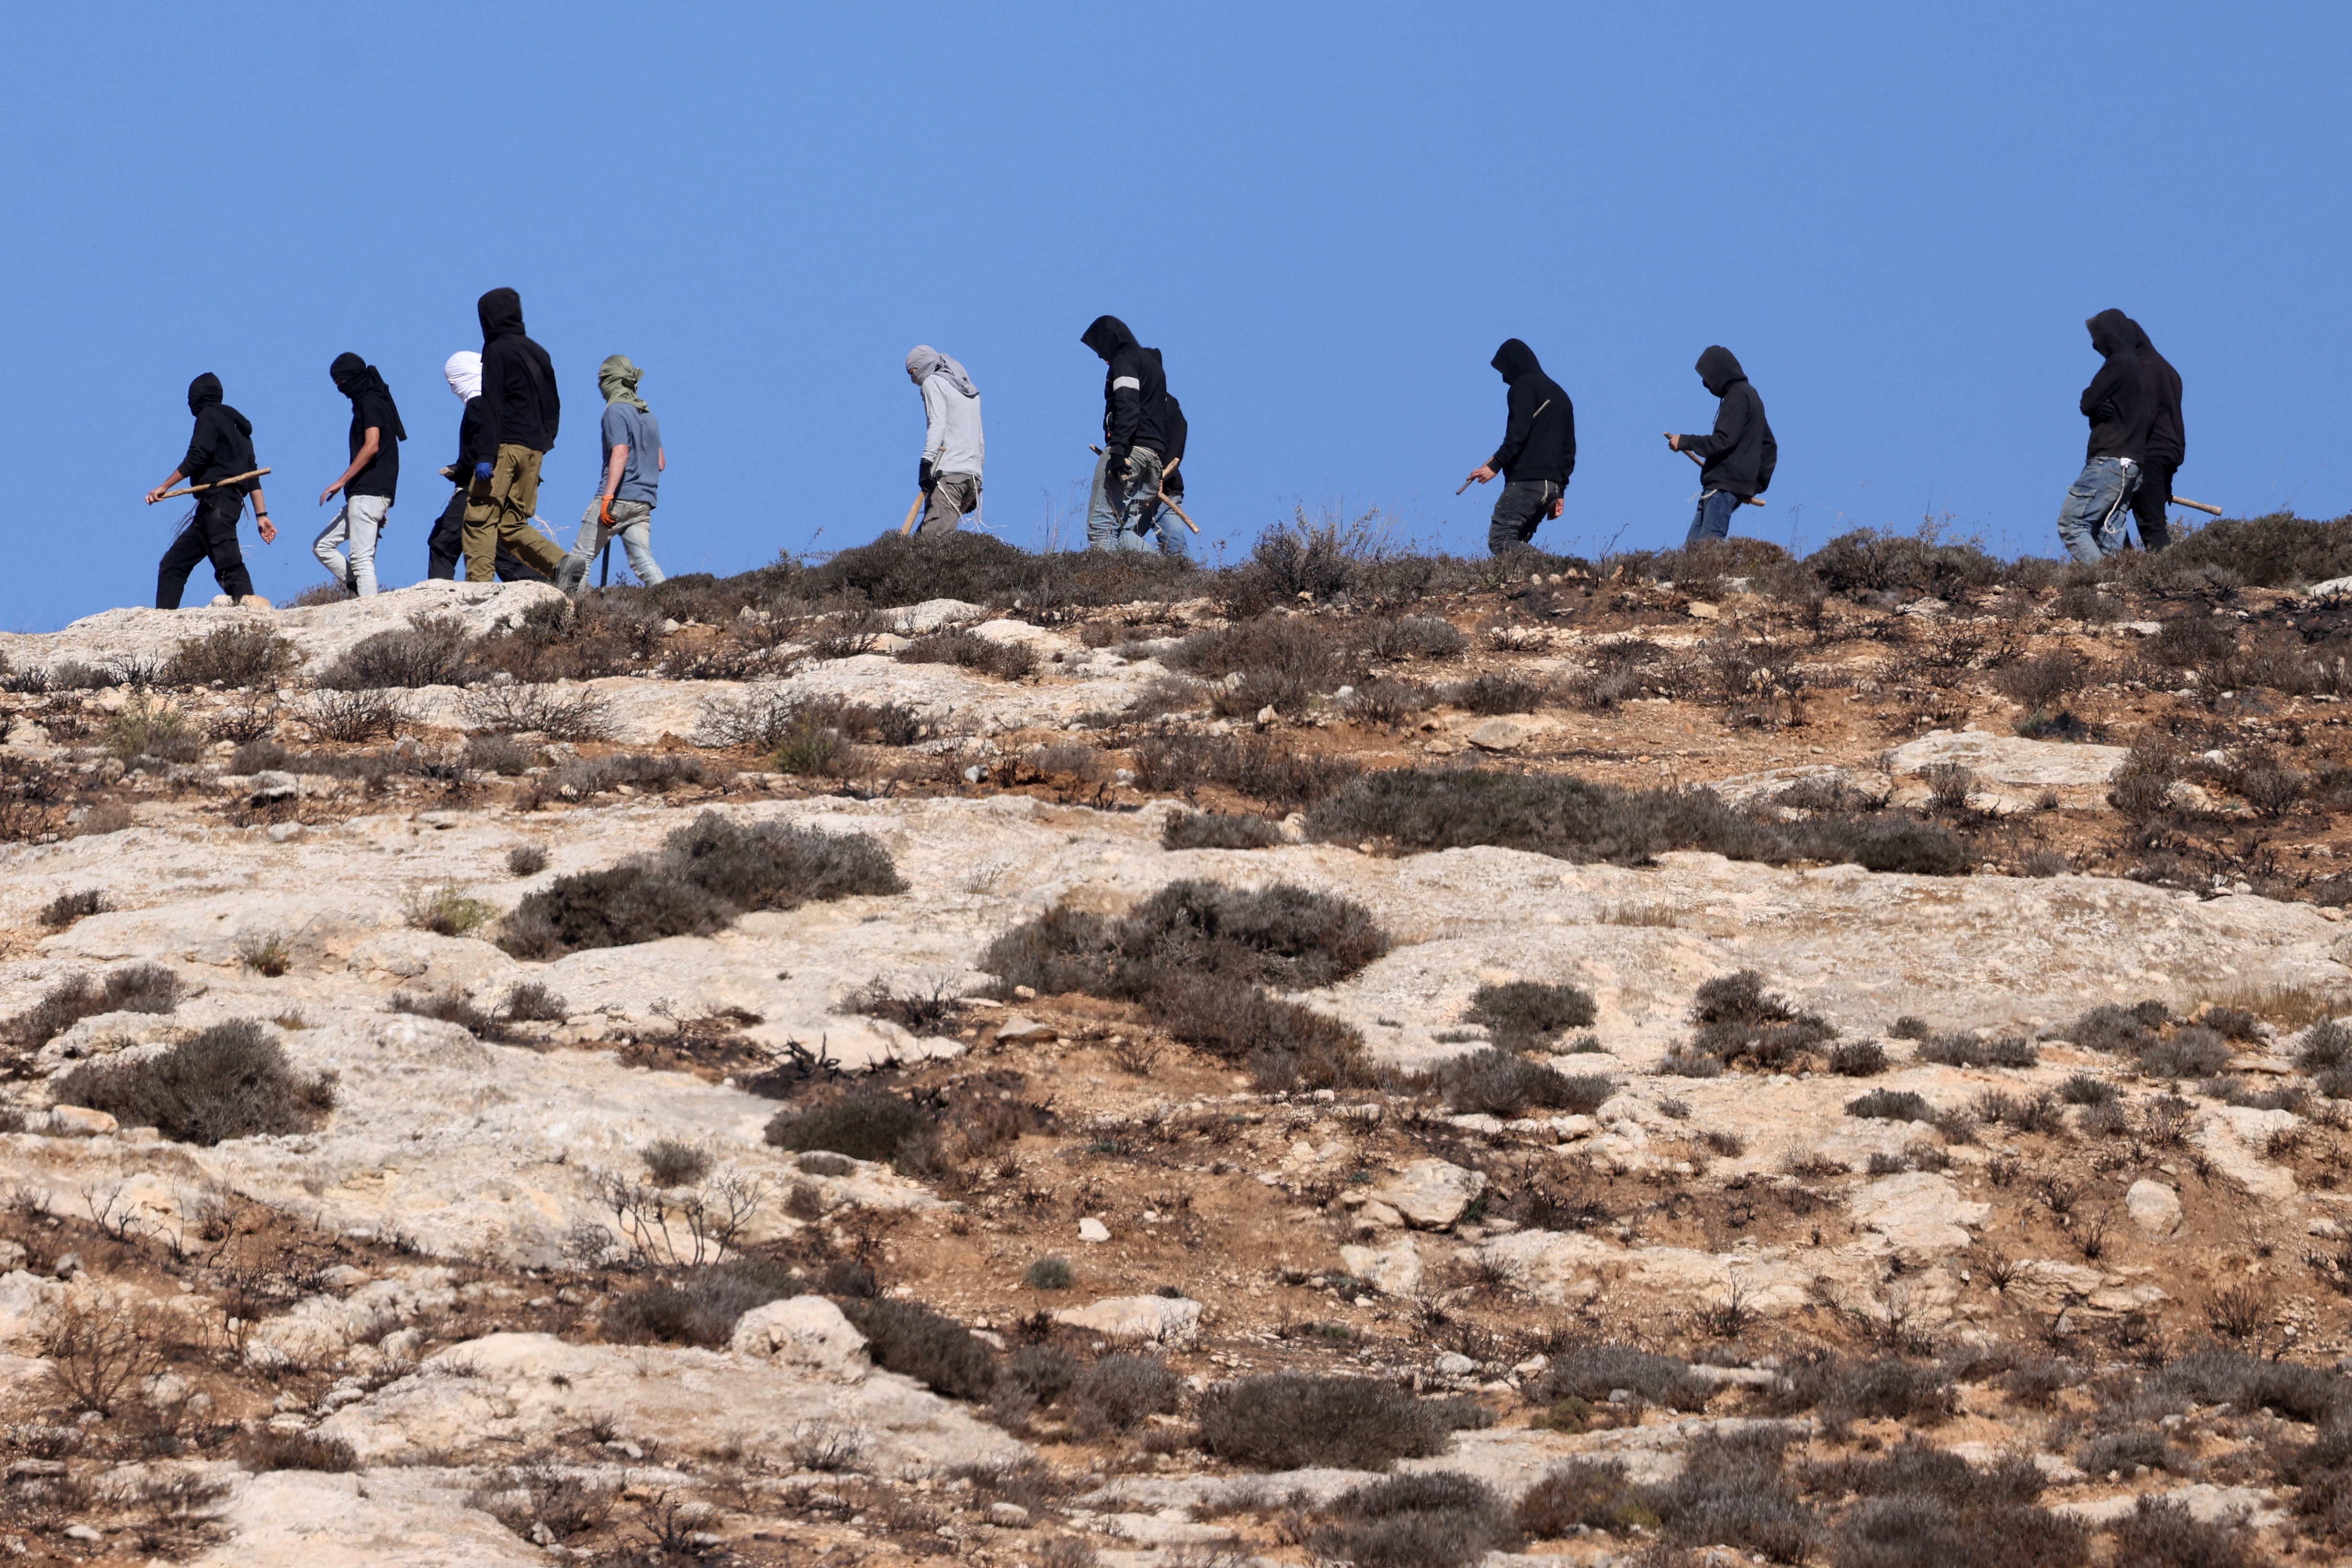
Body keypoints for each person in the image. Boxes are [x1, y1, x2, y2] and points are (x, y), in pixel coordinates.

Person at [464, 287, 569, 584]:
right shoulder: (539, 352)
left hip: (505, 448)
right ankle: (561, 564)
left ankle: (478, 590)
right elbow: (553, 403)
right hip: (534, 451)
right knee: (512, 523)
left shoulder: (496, 350)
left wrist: (486, 456)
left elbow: (492, 406)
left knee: (480, 517)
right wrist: (544, 442)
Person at [145, 373, 277, 609]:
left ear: (198, 398)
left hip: (220, 504)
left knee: (228, 564)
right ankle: (162, 619)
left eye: (190, 399)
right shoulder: (241, 429)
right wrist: (262, 515)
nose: (189, 404)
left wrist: (164, 486)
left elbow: (198, 456)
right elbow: (252, 476)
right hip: (215, 507)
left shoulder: (208, 416)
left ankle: (254, 613)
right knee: (173, 565)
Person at [425, 353, 544, 582]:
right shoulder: (503, 403)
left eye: (453, 381)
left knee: (443, 542)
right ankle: (544, 587)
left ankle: (440, 596)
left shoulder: (478, 405)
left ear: (466, 376)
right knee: (500, 548)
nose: (453, 388)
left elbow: (483, 449)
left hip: (477, 488)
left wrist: (460, 469)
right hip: (504, 488)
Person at [557, 356, 667, 591]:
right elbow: (660, 463)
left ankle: (570, 609)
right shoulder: (649, 416)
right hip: (643, 502)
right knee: (644, 562)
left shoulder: (615, 412)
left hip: (617, 499)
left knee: (581, 558)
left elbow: (620, 453)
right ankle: (671, 600)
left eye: (603, 380)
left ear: (612, 381)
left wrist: (608, 498)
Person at [2055, 309, 2153, 564]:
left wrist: (2095, 407)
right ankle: (2120, 584)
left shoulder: (2119, 363)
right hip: (2132, 467)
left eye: (2096, 337)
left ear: (2108, 336)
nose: (2094, 345)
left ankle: (2101, 581)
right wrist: (2100, 411)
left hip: (2110, 462)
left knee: (2072, 524)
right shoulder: (2136, 370)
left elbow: (2088, 400)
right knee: (2108, 534)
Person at [1463, 339, 1574, 554]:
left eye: (1504, 371)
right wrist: (1560, 490)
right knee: (1515, 547)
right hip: (1550, 486)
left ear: (1513, 365)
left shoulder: (1523, 386)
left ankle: (1556, 568)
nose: (1504, 378)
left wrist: (1494, 465)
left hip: (1527, 482)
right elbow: (1569, 451)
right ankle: (1549, 574)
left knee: (1501, 540)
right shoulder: (1562, 395)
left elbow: (1518, 432)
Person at [312, 353, 404, 597]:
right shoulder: (375, 400)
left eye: (341, 383)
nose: (341, 389)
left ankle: (372, 611)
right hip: (366, 495)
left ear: (351, 378)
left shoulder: (370, 401)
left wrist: (341, 481)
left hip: (369, 493)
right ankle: (362, 592)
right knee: (322, 546)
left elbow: (372, 446)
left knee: (362, 559)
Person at [1665, 346, 1775, 546]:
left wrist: (1686, 441)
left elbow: (1723, 441)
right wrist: (1752, 486)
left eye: (1707, 378)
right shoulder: (1751, 396)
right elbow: (1769, 446)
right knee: (1693, 549)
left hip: (1722, 487)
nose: (1705, 384)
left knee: (1708, 546)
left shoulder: (1737, 396)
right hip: (1725, 487)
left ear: (1719, 374)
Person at [1080, 315, 1170, 551]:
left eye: (1099, 347)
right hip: (1154, 459)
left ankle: (1108, 577)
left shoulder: (1124, 360)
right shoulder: (1151, 365)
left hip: (1130, 454)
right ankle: (1168, 572)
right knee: (1126, 536)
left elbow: (1128, 406)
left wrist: (1118, 451)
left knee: (1102, 529)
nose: (1100, 356)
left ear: (1109, 340)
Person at [905, 345, 983, 536]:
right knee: (921, 544)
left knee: (932, 543)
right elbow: (978, 438)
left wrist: (926, 463)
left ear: (923, 365)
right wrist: (975, 484)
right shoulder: (968, 389)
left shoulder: (933, 383)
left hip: (949, 475)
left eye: (913, 373)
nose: (914, 381)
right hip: (972, 479)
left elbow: (937, 426)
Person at [2126, 316, 2185, 552]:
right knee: (2146, 520)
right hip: (2167, 453)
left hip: (2148, 453)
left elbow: (2146, 415)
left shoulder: (2145, 368)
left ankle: (2162, 571)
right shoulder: (2168, 369)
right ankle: (2126, 565)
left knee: (2153, 527)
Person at [1143, 394, 1190, 558]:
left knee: (1117, 538)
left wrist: (1159, 475)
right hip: (1147, 488)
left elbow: (1176, 445)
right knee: (1177, 553)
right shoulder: (1127, 397)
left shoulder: (1164, 403)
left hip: (1161, 490)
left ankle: (1154, 569)